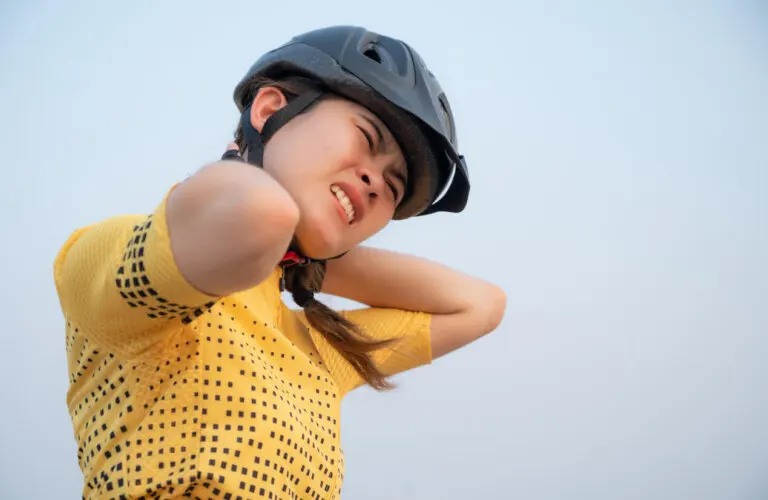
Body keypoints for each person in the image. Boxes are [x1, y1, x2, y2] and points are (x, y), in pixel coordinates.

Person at [53, 25, 506, 499]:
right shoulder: (108, 255)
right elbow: (252, 215)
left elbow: (481, 305)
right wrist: (298, 232)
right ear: (270, 109)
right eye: (367, 138)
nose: (376, 181)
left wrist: (314, 255)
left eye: (393, 187)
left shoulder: (321, 351)